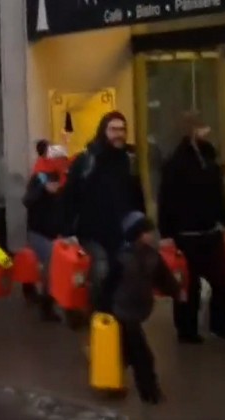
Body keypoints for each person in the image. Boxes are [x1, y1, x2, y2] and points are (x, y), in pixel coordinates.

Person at [158, 111, 225, 343]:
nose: (206, 132)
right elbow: (166, 199)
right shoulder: (176, 162)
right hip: (186, 234)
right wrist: (166, 233)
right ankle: (187, 329)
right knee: (189, 285)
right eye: (202, 128)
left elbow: (217, 193)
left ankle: (219, 324)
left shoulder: (209, 157)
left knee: (222, 280)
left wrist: (224, 220)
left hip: (209, 231)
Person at [62, 111, 146, 314]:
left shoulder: (129, 161)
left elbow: (137, 197)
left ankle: (118, 317)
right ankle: (98, 315)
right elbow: (69, 197)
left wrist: (142, 227)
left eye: (122, 129)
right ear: (103, 131)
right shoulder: (87, 161)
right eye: (113, 129)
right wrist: (67, 232)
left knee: (125, 273)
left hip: (121, 233)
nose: (119, 134)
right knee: (101, 270)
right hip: (91, 233)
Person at [113, 211, 182, 405]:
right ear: (137, 234)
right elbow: (108, 285)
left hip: (137, 310)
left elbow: (163, 278)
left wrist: (176, 292)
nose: (151, 235)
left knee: (126, 352)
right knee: (142, 356)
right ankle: (149, 391)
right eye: (146, 231)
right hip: (122, 311)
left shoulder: (151, 256)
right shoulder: (120, 258)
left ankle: (113, 380)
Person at [23, 166, 67, 321]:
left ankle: (48, 297)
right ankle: (46, 303)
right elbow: (27, 201)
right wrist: (42, 188)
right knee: (52, 258)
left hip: (53, 235)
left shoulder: (60, 192)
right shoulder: (38, 186)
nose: (55, 186)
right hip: (37, 234)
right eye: (53, 183)